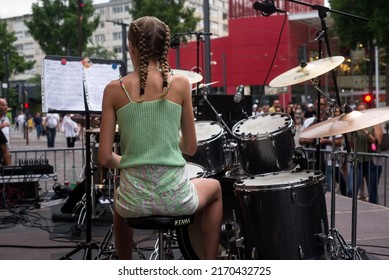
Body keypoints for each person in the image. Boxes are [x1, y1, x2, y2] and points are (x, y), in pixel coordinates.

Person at [98, 16, 222, 260]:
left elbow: (104, 157)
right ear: (165, 46)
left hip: (134, 201)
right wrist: (165, 141)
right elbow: (190, 147)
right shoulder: (181, 84)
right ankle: (210, 265)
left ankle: (125, 265)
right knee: (216, 188)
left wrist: (133, 159)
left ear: (131, 46)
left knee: (120, 197)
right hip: (176, 198)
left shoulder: (114, 89)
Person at [348, 102, 383, 204]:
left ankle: (374, 214)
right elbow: (352, 145)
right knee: (351, 190)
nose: (361, 112)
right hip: (358, 161)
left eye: (363, 110)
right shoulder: (355, 124)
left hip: (371, 161)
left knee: (372, 193)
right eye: (359, 110)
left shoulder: (374, 123)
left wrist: (365, 131)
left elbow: (377, 142)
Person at [298, 98, 329, 172]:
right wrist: (307, 140)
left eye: (321, 104)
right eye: (317, 104)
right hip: (311, 159)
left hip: (327, 160)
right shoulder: (308, 121)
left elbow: (339, 142)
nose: (319, 106)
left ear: (326, 106)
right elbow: (300, 140)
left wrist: (325, 140)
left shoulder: (330, 121)